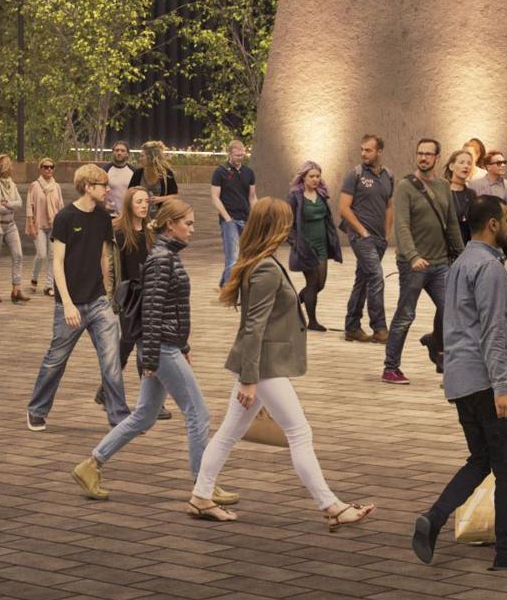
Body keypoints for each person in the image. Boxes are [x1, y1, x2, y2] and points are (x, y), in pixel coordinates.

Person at [193, 200, 368, 529]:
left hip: (259, 365)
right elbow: (252, 327)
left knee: (230, 433)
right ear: (273, 226)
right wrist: (248, 378)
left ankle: (201, 495)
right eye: (285, 223)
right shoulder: (264, 268)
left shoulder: (262, 263)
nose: (290, 228)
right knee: (299, 432)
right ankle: (330, 505)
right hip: (264, 367)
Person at [409, 193, 507, 572]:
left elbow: (466, 321)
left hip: (461, 379)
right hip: (488, 380)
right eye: (506, 218)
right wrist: (502, 387)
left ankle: (434, 518)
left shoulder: (461, 264)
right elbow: (489, 333)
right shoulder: (492, 268)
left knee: (481, 459)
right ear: (493, 225)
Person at [80, 196, 213, 509]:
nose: (192, 229)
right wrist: (152, 358)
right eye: (188, 223)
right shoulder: (161, 259)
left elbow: (171, 308)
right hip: (162, 349)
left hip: (168, 346)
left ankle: (91, 466)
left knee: (143, 415)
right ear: (171, 224)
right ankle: (203, 488)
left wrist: (185, 345)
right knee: (198, 414)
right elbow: (151, 313)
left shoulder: (168, 256)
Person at [26, 162, 127, 433]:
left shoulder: (103, 218)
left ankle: (118, 417)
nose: (107, 189)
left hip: (97, 301)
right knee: (55, 360)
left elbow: (104, 256)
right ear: (87, 187)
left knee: (111, 359)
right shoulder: (65, 218)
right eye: (103, 185)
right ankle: (36, 410)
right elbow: (56, 263)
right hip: (69, 304)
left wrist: (107, 293)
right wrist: (67, 303)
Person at [382, 138, 460, 384]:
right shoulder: (406, 186)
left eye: (428, 154)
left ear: (438, 158)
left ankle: (452, 365)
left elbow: (452, 224)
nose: (423, 158)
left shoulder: (444, 186)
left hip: (440, 265)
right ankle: (390, 367)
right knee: (406, 314)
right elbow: (401, 226)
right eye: (420, 153)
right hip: (412, 264)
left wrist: (464, 254)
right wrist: (413, 256)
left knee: (453, 312)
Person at [341, 136, 396, 342]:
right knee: (375, 276)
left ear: (379, 151)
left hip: (379, 239)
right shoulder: (354, 175)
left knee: (362, 280)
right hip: (361, 237)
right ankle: (380, 328)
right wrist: (362, 231)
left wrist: (387, 233)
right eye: (362, 150)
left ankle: (352, 327)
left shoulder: (388, 175)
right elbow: (344, 208)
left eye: (369, 150)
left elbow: (389, 206)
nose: (364, 154)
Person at [286, 161, 339, 331]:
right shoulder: (295, 196)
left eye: (318, 176)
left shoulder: (322, 195)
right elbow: (287, 223)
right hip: (305, 246)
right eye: (312, 176)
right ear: (303, 177)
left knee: (319, 284)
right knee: (312, 282)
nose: (315, 179)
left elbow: (327, 220)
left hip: (322, 245)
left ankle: (290, 306)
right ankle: (312, 321)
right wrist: (295, 242)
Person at [210, 141, 258, 284]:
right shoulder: (220, 172)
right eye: (237, 155)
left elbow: (252, 197)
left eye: (242, 155)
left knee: (245, 254)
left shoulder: (249, 173)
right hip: (229, 218)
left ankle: (224, 283)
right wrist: (227, 218)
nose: (240, 158)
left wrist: (257, 215)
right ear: (230, 154)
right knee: (233, 256)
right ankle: (229, 289)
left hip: (246, 218)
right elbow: (215, 197)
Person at [0, 159, 28, 304]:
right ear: (1, 167)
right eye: (8, 165)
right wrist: (11, 206)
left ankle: (16, 289)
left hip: (10, 224)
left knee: (18, 255)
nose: (11, 167)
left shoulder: (11, 184)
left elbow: (20, 203)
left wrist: (8, 204)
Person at [20, 163, 64, 297]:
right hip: (39, 225)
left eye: (51, 167)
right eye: (45, 167)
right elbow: (29, 206)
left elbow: (61, 206)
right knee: (41, 254)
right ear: (40, 169)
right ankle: (34, 278)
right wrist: (31, 225)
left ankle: (49, 285)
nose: (49, 169)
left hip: (53, 225)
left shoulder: (56, 187)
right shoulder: (35, 185)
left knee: (52, 256)